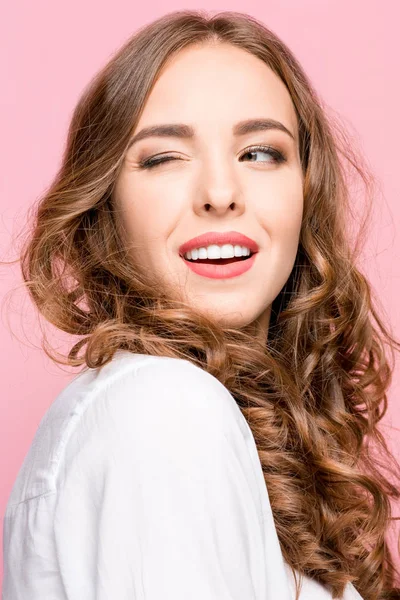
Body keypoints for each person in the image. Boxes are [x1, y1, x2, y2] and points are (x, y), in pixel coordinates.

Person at [2, 9, 400, 600]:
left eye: (261, 153)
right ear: (105, 204)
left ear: (305, 192)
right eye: (164, 157)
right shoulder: (162, 408)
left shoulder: (194, 416)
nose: (219, 193)